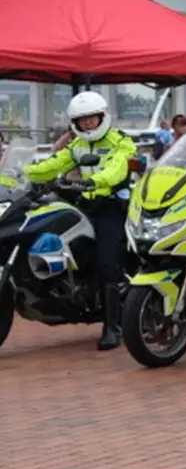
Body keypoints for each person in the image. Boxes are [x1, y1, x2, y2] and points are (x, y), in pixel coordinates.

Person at [25, 91, 137, 351]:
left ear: (102, 117)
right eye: (82, 120)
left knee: (107, 262)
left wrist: (94, 181)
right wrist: (25, 171)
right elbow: (54, 164)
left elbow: (117, 168)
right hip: (85, 203)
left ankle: (112, 327)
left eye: (92, 118)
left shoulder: (121, 141)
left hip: (111, 206)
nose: (87, 124)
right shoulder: (76, 147)